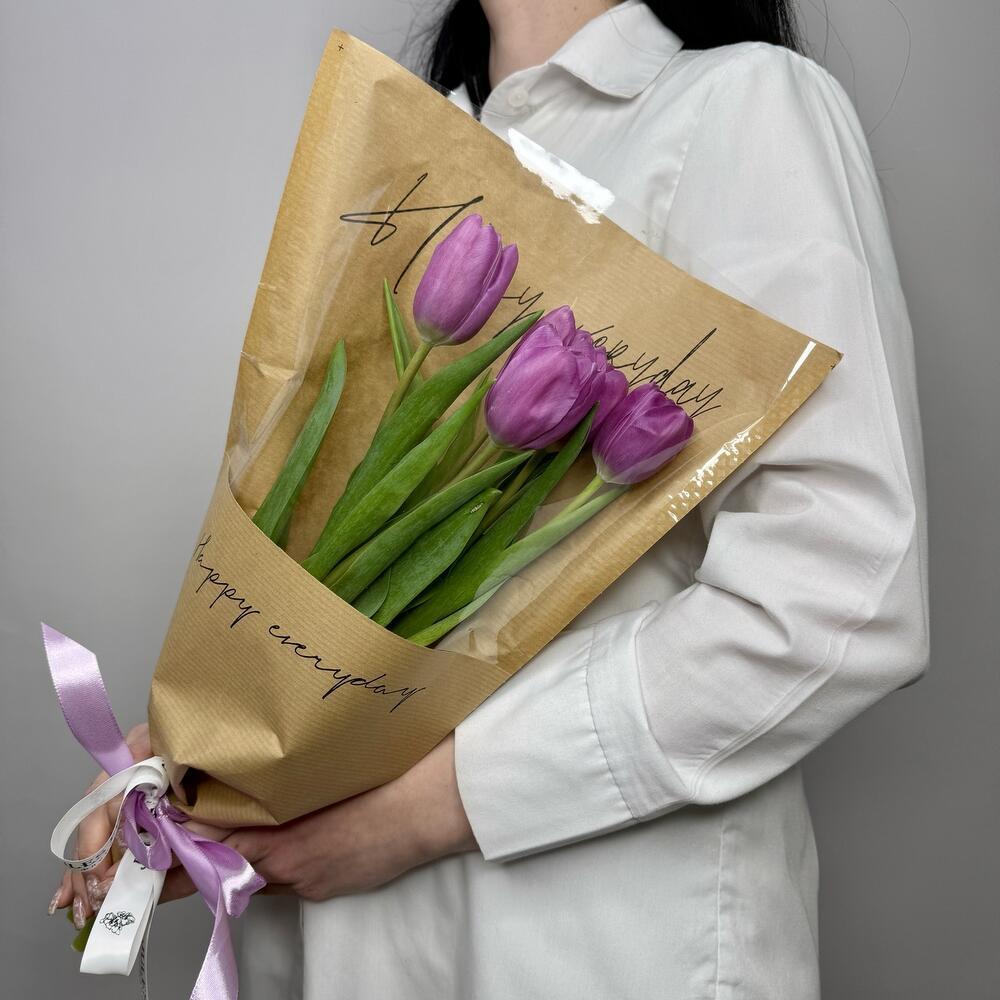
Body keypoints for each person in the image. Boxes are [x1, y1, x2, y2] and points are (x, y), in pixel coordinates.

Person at [51, 2, 929, 996]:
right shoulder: (402, 144)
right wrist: (201, 751)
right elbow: (338, 564)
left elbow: (845, 590)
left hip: (592, 946)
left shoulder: (739, 105)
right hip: (332, 948)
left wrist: (422, 812)